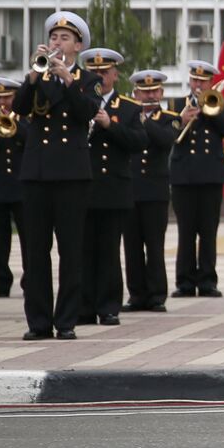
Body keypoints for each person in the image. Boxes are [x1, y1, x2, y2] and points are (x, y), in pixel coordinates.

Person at [13, 12, 100, 340]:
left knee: (70, 251)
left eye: (64, 38)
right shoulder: (38, 75)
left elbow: (85, 112)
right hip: (36, 174)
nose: (57, 43)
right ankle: (38, 322)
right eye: (53, 38)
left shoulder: (86, 80)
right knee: (35, 252)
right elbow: (20, 109)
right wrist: (34, 78)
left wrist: (68, 79)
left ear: (78, 45)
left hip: (71, 175)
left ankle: (66, 321)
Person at [78, 48, 148, 327]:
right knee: (83, 251)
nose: (100, 77)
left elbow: (140, 142)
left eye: (105, 72)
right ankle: (83, 307)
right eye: (94, 72)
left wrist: (110, 125)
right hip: (84, 187)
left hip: (114, 189)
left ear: (115, 75)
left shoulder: (128, 108)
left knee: (109, 251)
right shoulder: (79, 103)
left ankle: (108, 307)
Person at [169, 60, 224, 297]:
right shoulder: (177, 104)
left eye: (203, 80)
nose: (198, 84)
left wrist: (212, 111)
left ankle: (208, 280)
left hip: (210, 177)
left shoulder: (220, 104)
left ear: (210, 82)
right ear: (189, 80)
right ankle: (185, 281)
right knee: (186, 232)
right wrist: (182, 120)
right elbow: (166, 135)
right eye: (195, 79)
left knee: (208, 231)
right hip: (183, 177)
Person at [124, 70, 180, 313]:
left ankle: (157, 295)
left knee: (155, 246)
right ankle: (137, 294)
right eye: (144, 92)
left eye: (153, 91)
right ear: (135, 93)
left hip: (156, 192)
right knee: (132, 246)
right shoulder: (127, 116)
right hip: (131, 189)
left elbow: (167, 140)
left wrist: (145, 121)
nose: (149, 95)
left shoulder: (169, 117)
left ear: (161, 93)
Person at [0, 78, 27, 298]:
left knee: (29, 238)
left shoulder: (26, 121)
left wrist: (14, 130)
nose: (2, 102)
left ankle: (31, 281)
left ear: (16, 97)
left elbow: (31, 140)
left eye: (7, 97)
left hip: (20, 188)